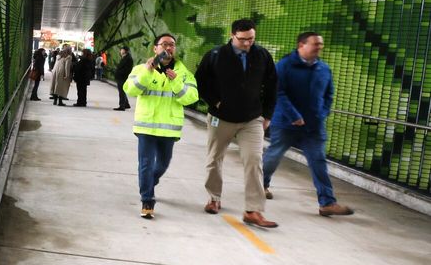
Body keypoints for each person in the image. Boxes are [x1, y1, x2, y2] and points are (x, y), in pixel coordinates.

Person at [195, 19, 279, 228]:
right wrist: (215, 101)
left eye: (251, 38)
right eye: (243, 39)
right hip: (220, 118)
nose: (248, 43)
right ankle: (214, 198)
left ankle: (253, 210)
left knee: (254, 160)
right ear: (232, 35)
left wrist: (267, 115)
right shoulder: (215, 55)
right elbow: (200, 81)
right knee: (214, 158)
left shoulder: (262, 55)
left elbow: (272, 86)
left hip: (252, 118)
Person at [263, 32, 354, 217]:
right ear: (301, 45)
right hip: (286, 124)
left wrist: (322, 113)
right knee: (274, 155)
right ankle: (260, 184)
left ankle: (327, 203)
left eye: (321, 44)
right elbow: (278, 93)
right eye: (315, 44)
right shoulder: (284, 65)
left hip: (313, 126)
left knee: (318, 161)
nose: (319, 47)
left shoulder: (324, 68)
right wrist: (294, 115)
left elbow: (328, 95)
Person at [124, 33, 198, 218]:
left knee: (163, 165)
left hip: (169, 128)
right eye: (164, 44)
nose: (168, 47)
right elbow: (130, 89)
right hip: (146, 127)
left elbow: (191, 98)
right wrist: (147, 72)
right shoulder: (141, 69)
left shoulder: (184, 73)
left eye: (172, 44)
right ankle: (147, 200)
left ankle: (150, 181)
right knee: (146, 164)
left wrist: (176, 82)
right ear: (155, 48)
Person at [113, 46, 134, 111]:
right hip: (121, 77)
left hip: (123, 77)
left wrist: (120, 73)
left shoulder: (128, 58)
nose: (120, 51)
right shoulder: (124, 57)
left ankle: (122, 106)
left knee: (121, 91)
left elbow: (127, 69)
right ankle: (126, 104)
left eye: (121, 50)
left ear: (125, 51)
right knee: (122, 90)